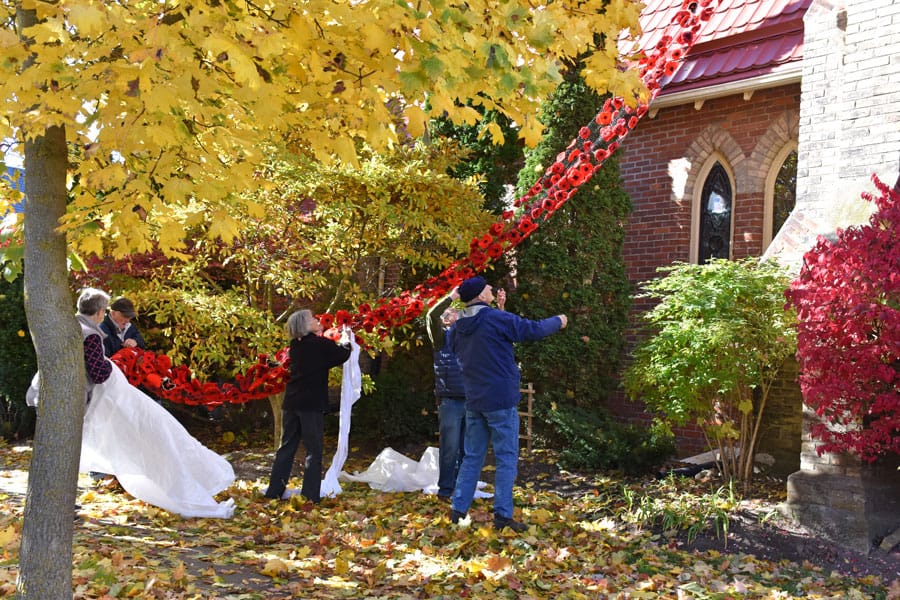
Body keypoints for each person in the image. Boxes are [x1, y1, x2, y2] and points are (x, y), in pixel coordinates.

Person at [73, 288, 236, 518]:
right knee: (154, 433)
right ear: (101, 312)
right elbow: (99, 372)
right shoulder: (90, 333)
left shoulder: (75, 327)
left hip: (114, 394)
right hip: (109, 397)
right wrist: (116, 362)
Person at [448, 276, 567, 532]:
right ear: (481, 295)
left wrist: (499, 312)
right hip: (500, 399)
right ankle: (502, 515)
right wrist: (559, 320)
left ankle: (458, 511)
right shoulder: (494, 319)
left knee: (472, 457)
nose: (492, 289)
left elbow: (470, 344)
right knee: (506, 458)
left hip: (475, 399)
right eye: (488, 287)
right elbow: (531, 329)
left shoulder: (459, 326)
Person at [426, 286, 507, 500]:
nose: (455, 314)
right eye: (451, 312)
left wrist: (499, 308)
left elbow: (494, 331)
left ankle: (463, 491)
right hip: (450, 401)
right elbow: (431, 315)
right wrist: (451, 296)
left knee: (468, 450)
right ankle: (445, 490)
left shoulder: (468, 336)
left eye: (457, 311)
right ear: (445, 319)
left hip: (472, 399)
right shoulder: (440, 339)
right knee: (449, 448)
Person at [264, 309, 352, 503]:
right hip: (310, 404)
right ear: (305, 325)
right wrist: (346, 339)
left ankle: (274, 491)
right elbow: (342, 354)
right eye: (312, 318)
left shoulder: (295, 346)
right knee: (314, 450)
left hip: (292, 402)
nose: (316, 319)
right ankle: (310, 495)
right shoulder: (318, 344)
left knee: (286, 447)